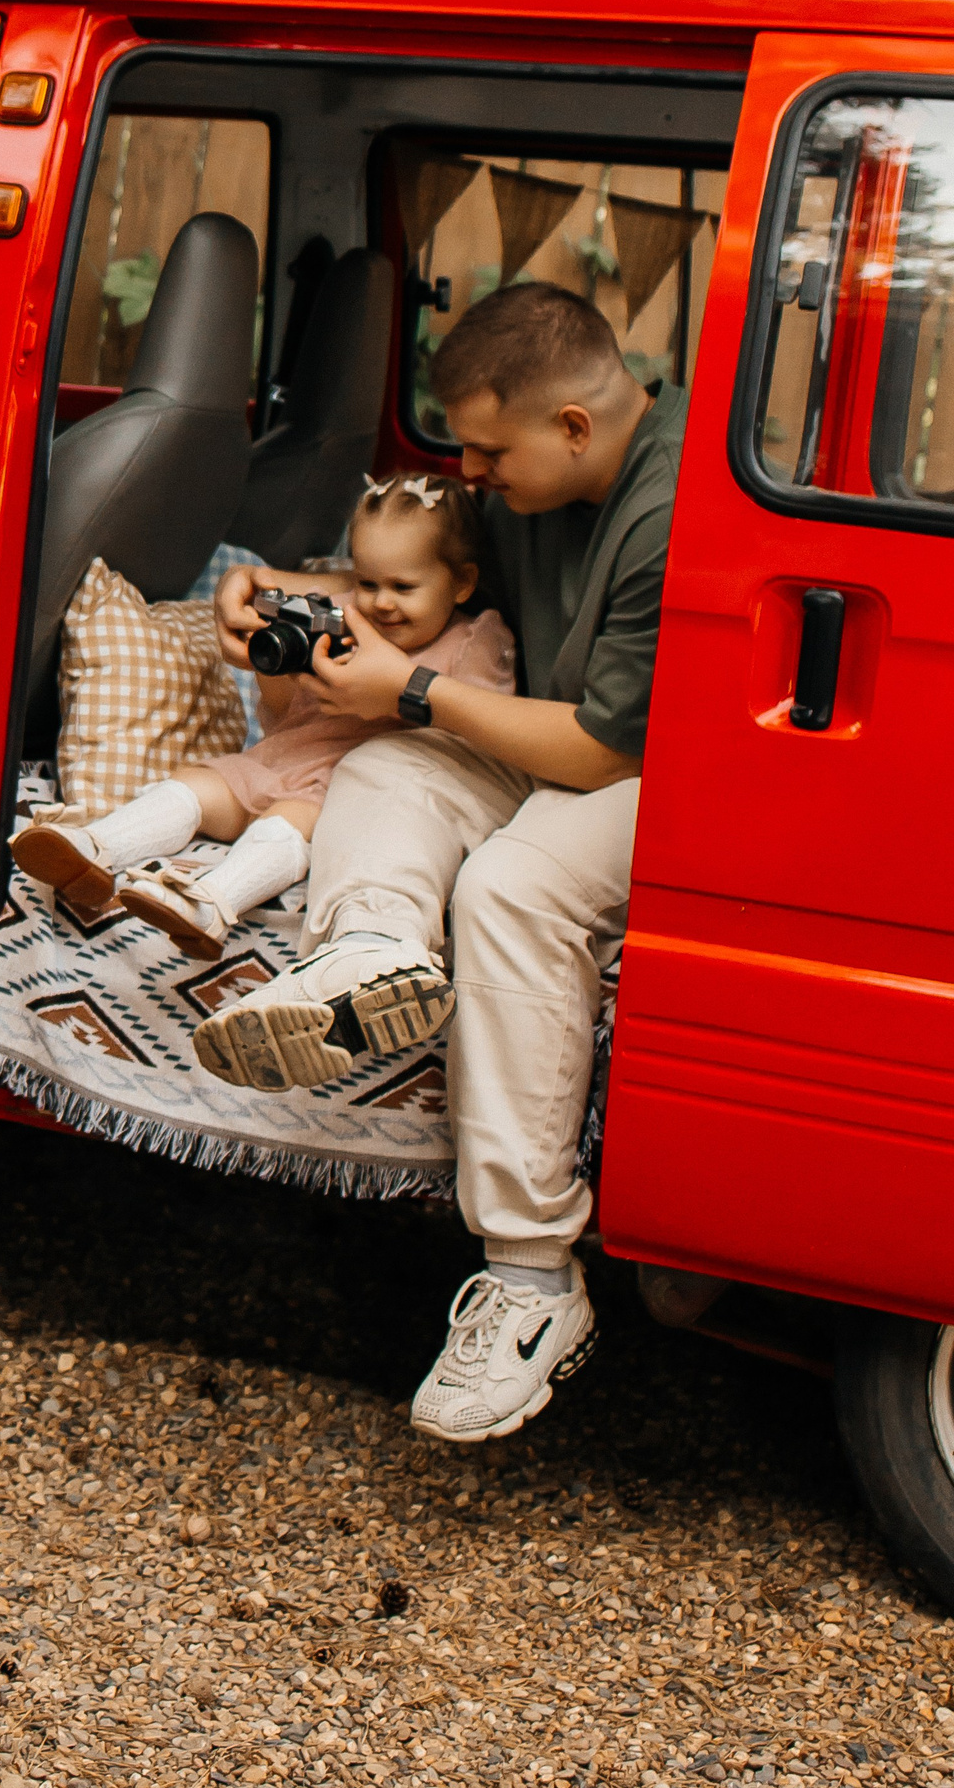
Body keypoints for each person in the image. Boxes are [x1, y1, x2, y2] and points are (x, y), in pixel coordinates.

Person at [191, 282, 682, 1447]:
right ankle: (368, 950)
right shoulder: (533, 485)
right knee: (385, 769)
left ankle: (529, 1280)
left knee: (509, 886)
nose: (465, 469)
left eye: (482, 446)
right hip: (554, 743)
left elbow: (606, 747)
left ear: (570, 425)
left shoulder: (668, 508)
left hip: (662, 780)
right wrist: (279, 601)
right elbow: (419, 584)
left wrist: (412, 689)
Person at [12, 475, 515, 956]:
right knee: (197, 784)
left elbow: (471, 744)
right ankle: (96, 846)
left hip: (354, 788)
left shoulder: (473, 640)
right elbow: (278, 715)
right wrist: (276, 659)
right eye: (366, 581)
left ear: (463, 583)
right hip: (284, 755)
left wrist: (399, 693)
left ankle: (211, 903)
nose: (380, 603)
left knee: (285, 820)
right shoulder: (339, 614)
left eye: (403, 587)